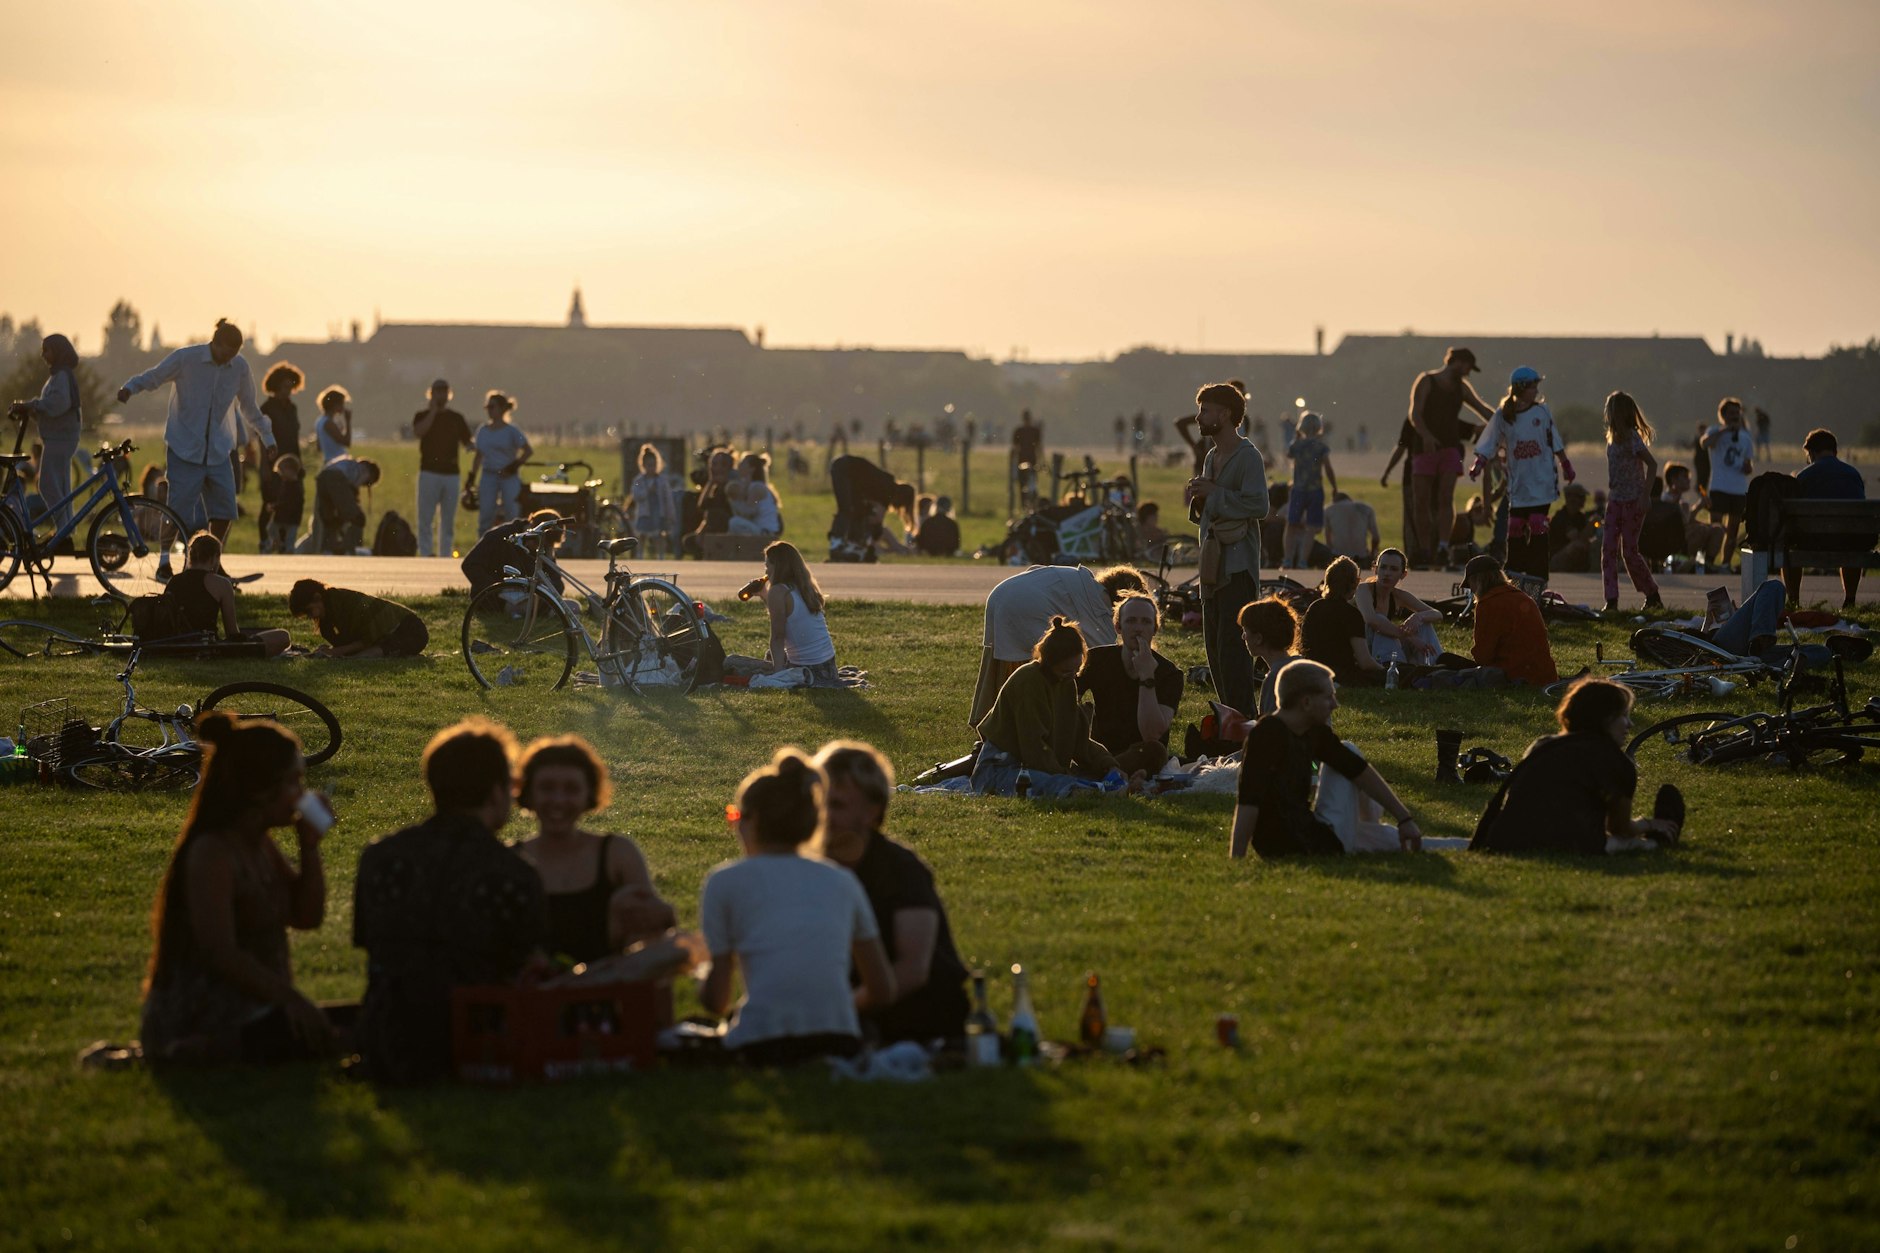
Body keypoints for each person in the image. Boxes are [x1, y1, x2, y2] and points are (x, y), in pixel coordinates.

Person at [353, 719, 547, 1084]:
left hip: (387, 1038)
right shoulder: (515, 873)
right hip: (481, 1043)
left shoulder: (380, 857)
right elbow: (528, 965)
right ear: (495, 793)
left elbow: (371, 944)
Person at [140, 712, 339, 1063]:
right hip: (204, 1016)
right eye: (294, 783)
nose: (301, 795)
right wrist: (291, 999)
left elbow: (306, 917)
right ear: (260, 790)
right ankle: (179, 1054)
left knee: (361, 1022)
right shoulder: (212, 853)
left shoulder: (259, 844)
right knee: (339, 1036)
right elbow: (220, 953)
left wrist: (309, 848)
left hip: (260, 1008)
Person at [699, 748, 894, 1067]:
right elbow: (882, 989)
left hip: (760, 1043)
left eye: (735, 818)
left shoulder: (725, 882)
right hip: (839, 1041)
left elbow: (717, 1000)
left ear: (754, 821)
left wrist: (696, 972)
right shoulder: (842, 880)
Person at [815, 740, 970, 1046]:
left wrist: (836, 1013)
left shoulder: (901, 869)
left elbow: (912, 970)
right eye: (818, 802)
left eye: (837, 804)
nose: (824, 815)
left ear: (872, 811)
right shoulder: (811, 868)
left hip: (917, 1013)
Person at [116, 319, 277, 577]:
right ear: (215, 342)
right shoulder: (187, 359)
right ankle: (164, 563)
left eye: (234, 355)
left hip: (219, 450)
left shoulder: (239, 367)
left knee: (225, 510)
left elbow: (249, 407)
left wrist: (268, 439)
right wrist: (130, 388)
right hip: (184, 449)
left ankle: (212, 562)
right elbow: (155, 376)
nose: (229, 360)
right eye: (226, 353)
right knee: (176, 510)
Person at [1229, 660, 1426, 858]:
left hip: (1309, 836)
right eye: (1329, 697)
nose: (1335, 704)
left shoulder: (1311, 731)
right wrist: (1236, 857)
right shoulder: (1266, 735)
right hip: (1304, 844)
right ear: (1306, 702)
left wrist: (1404, 818)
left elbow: (1356, 768)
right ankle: (1371, 825)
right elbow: (1249, 801)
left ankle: (1378, 828)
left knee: (1388, 837)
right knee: (1349, 750)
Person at [512, 735, 676, 966]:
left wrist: (662, 917)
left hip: (605, 995)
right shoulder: (510, 860)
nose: (559, 800)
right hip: (529, 999)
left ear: (589, 794)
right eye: (547, 788)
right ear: (528, 792)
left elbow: (652, 938)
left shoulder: (618, 855)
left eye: (571, 789)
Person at [1472, 678, 1683, 855]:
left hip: (1505, 838)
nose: (1630, 724)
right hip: (1565, 844)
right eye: (1624, 715)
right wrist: (1649, 824)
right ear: (1605, 719)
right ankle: (1658, 840)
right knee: (1626, 843)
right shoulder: (1614, 760)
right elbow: (1620, 828)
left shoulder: (1542, 745)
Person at [971, 617, 1140, 797]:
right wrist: (1063, 775)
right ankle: (1093, 793)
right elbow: (1034, 746)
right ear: (1049, 663)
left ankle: (1099, 789)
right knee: (1055, 784)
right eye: (1066, 671)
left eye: (1076, 671)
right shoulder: (1028, 681)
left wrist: (1109, 765)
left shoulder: (1066, 684)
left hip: (1041, 766)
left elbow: (1077, 740)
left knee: (1086, 776)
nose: (1071, 676)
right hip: (1001, 768)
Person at [969, 563, 1146, 725]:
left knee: (1001, 665)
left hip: (1000, 594)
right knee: (1047, 666)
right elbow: (1098, 659)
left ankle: (990, 718)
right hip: (1026, 606)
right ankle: (1033, 721)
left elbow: (1035, 569)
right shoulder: (1100, 611)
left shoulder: (1077, 577)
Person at [1187, 382, 1270, 720]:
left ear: (1224, 414)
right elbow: (1213, 508)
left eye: (1205, 410)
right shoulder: (1211, 456)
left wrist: (1215, 492)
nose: (1199, 417)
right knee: (1215, 652)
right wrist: (1200, 495)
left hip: (1237, 568)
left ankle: (1246, 725)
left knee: (1234, 652)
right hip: (1212, 566)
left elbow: (1259, 505)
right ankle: (1229, 721)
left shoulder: (1248, 457)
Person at [1471, 366, 1571, 583]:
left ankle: (1538, 574)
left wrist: (1565, 463)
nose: (1536, 390)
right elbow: (1491, 441)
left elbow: (1554, 438)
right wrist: (1479, 462)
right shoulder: (1503, 415)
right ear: (1522, 388)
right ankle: (1514, 571)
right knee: (1515, 527)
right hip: (1520, 484)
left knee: (1537, 524)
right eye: (1533, 386)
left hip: (1542, 481)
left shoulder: (1541, 412)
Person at [1406, 347, 1496, 568]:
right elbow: (1415, 413)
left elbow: (1481, 408)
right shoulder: (1427, 381)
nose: (1467, 373)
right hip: (1424, 448)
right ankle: (1424, 549)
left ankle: (1443, 547)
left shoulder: (1461, 388)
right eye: (1467, 367)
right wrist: (1426, 435)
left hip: (1450, 448)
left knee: (1446, 497)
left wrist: (1501, 421)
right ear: (1457, 362)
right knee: (1422, 500)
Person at [1075, 593, 1181, 773]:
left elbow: (1152, 734)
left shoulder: (1169, 674)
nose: (1138, 628)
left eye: (1146, 622)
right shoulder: (1096, 659)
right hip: (1101, 750)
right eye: (1131, 621)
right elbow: (1064, 695)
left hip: (1142, 753)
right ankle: (1107, 772)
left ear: (1155, 629)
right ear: (1118, 627)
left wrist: (1147, 675)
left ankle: (1103, 774)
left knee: (1155, 751)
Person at [161, 532, 291, 655]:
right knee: (282, 636)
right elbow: (232, 633)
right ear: (214, 558)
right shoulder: (221, 584)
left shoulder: (173, 581)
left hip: (175, 645)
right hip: (209, 648)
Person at [1784, 428, 1869, 609]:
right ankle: (1850, 600)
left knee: (1788, 546)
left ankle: (1793, 601)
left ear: (1812, 452)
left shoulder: (1805, 476)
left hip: (1810, 542)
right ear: (1835, 451)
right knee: (1853, 541)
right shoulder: (1853, 474)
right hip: (1848, 542)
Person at [8, 333, 83, 538]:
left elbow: (57, 405)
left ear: (57, 351)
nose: (43, 355)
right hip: (60, 437)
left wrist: (31, 405)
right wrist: (30, 409)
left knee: (47, 485)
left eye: (46, 350)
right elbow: (50, 408)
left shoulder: (61, 376)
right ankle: (67, 530)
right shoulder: (59, 375)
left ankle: (64, 531)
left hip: (61, 438)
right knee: (61, 486)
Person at [741, 540, 840, 684]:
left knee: (731, 662)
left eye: (767, 565)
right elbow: (790, 616)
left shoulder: (778, 591)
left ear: (778, 567)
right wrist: (764, 595)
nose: (766, 571)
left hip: (808, 673)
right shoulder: (803, 586)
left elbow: (777, 637)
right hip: (828, 669)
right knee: (771, 655)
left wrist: (778, 674)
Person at [1600, 390, 1664, 611]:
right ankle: (1611, 600)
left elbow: (1652, 465)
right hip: (1615, 500)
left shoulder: (1631, 437)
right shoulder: (1611, 437)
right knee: (1608, 550)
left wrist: (1645, 496)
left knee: (1629, 551)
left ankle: (1652, 594)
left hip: (1633, 501)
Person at [1463, 554, 1559, 686]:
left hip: (1514, 675)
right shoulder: (1523, 598)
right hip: (1545, 674)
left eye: (1471, 585)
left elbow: (1483, 656)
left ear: (1477, 581)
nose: (1472, 590)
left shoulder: (1487, 604)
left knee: (1448, 661)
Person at [288, 578, 428, 658]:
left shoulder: (340, 602)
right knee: (363, 654)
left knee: (365, 655)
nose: (310, 616)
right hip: (388, 635)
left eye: (308, 610)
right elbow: (349, 641)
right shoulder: (329, 611)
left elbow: (364, 641)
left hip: (410, 629)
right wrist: (330, 650)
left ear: (317, 598)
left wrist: (335, 652)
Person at [1300, 556, 1386, 685]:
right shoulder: (1352, 614)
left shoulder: (1315, 607)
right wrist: (1385, 670)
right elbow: (1365, 662)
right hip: (1340, 675)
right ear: (1354, 583)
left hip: (1311, 672)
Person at [412, 379, 474, 558]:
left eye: (444, 391)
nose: (441, 395)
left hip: (451, 474)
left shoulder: (456, 418)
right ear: (431, 393)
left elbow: (467, 441)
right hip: (429, 472)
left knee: (447, 520)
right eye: (438, 391)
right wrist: (433, 412)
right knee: (425, 518)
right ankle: (425, 553)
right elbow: (419, 432)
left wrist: (475, 446)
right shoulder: (422, 415)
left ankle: (445, 554)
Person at [1356, 549, 1444, 666]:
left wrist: (1418, 616)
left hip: (1383, 646)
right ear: (1376, 569)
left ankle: (1433, 666)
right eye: (1383, 567)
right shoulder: (1363, 589)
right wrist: (1409, 637)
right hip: (1361, 647)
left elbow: (1438, 614)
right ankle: (1401, 670)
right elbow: (1372, 620)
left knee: (1424, 625)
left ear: (1403, 574)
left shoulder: (1399, 595)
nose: (1387, 573)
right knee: (1381, 619)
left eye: (1393, 569)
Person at [460, 508, 566, 599]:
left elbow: (557, 584)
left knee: (572, 606)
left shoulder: (544, 549)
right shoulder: (499, 536)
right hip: (495, 598)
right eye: (537, 542)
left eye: (546, 546)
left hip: (526, 597)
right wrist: (497, 589)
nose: (538, 548)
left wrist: (549, 556)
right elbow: (470, 564)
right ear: (531, 527)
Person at [827, 454, 917, 561]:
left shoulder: (886, 484)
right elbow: (877, 519)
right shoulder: (888, 490)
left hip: (844, 468)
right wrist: (871, 538)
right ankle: (838, 545)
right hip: (844, 469)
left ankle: (850, 545)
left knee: (858, 510)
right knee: (847, 509)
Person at [468, 391, 532, 536]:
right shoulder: (483, 430)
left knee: (512, 511)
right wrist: (472, 477)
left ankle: (515, 544)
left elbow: (528, 451)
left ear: (502, 409)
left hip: (508, 476)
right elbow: (478, 456)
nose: (489, 411)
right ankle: (482, 544)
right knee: (486, 513)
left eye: (492, 407)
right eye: (488, 408)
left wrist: (514, 466)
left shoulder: (512, 431)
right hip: (488, 475)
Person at [1702, 398, 1756, 568]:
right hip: (1719, 487)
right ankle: (1708, 562)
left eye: (1737, 413)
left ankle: (1725, 564)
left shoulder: (1745, 437)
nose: (1734, 416)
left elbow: (1748, 465)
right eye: (1731, 413)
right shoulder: (1715, 431)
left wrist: (1747, 467)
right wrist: (1725, 431)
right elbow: (1705, 443)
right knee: (1715, 528)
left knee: (1732, 531)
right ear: (1723, 415)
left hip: (1738, 489)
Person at [1283, 411, 1337, 569]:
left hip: (1298, 489)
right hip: (1315, 490)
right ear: (1319, 427)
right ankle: (1302, 560)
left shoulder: (1296, 445)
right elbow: (1328, 468)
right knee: (1311, 527)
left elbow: (1288, 454)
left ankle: (1287, 559)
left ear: (1301, 427)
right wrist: (1334, 486)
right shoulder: (1321, 447)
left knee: (1291, 525)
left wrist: (1297, 436)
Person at [1239, 596, 1305, 716]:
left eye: (1245, 631)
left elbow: (1268, 729)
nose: (1243, 637)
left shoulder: (1275, 679)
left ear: (1258, 639)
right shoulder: (1307, 669)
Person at [306, 454, 382, 554]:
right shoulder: (364, 470)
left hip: (322, 478)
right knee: (357, 518)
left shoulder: (348, 463)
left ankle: (324, 548)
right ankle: (350, 549)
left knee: (327, 518)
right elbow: (352, 494)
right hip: (336, 479)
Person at [628, 443, 680, 559]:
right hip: (645, 513)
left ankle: (660, 556)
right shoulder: (639, 480)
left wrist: (670, 515)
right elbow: (636, 495)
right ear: (643, 465)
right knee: (642, 535)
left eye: (653, 465)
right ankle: (639, 555)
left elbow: (668, 499)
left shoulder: (662, 481)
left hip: (659, 513)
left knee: (659, 536)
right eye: (649, 465)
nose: (651, 468)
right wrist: (647, 492)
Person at [727, 452, 782, 538]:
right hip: (760, 529)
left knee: (734, 522)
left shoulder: (756, 487)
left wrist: (735, 501)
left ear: (751, 469)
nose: (739, 465)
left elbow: (749, 512)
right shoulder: (753, 485)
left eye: (743, 463)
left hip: (765, 532)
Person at [1323, 491, 1379, 564]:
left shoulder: (1329, 510)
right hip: (1361, 556)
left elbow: (1328, 540)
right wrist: (1372, 554)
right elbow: (1376, 537)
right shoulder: (1367, 508)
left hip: (1338, 557)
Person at [1550, 483, 1595, 572]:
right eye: (1581, 497)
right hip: (1556, 559)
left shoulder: (1580, 517)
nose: (1584, 500)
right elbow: (1577, 539)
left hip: (1569, 558)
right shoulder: (1561, 517)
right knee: (1577, 546)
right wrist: (1590, 525)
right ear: (1572, 499)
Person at [268, 455, 305, 557]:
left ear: (290, 470)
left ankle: (288, 551)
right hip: (283, 517)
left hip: (292, 518)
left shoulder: (295, 488)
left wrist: (276, 507)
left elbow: (289, 503)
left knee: (290, 538)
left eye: (282, 471)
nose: (280, 475)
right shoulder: (285, 484)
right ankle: (278, 543)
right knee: (271, 528)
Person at [312, 386, 353, 466]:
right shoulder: (328, 423)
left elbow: (319, 447)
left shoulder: (319, 421)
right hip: (338, 463)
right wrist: (348, 421)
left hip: (328, 461)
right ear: (335, 405)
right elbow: (347, 442)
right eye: (342, 403)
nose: (343, 407)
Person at [1446, 494, 1491, 560]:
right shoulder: (1464, 522)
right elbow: (1456, 543)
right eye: (1485, 518)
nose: (1484, 523)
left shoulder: (1469, 521)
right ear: (1477, 512)